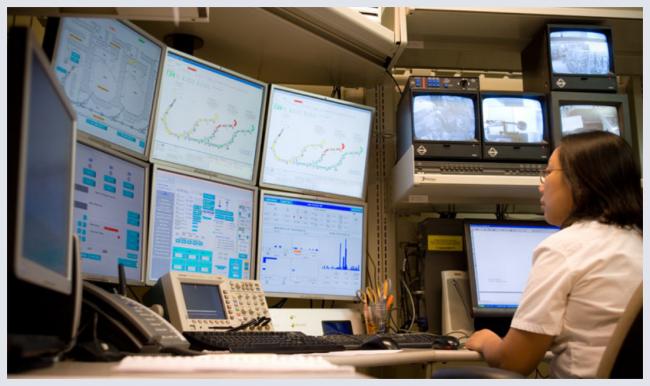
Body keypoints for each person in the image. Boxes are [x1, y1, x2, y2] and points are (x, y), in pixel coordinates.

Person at [465, 131, 642, 378]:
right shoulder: (638, 242)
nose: (541, 185)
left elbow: (513, 362)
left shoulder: (566, 247)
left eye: (548, 173)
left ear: (580, 182)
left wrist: (486, 340)